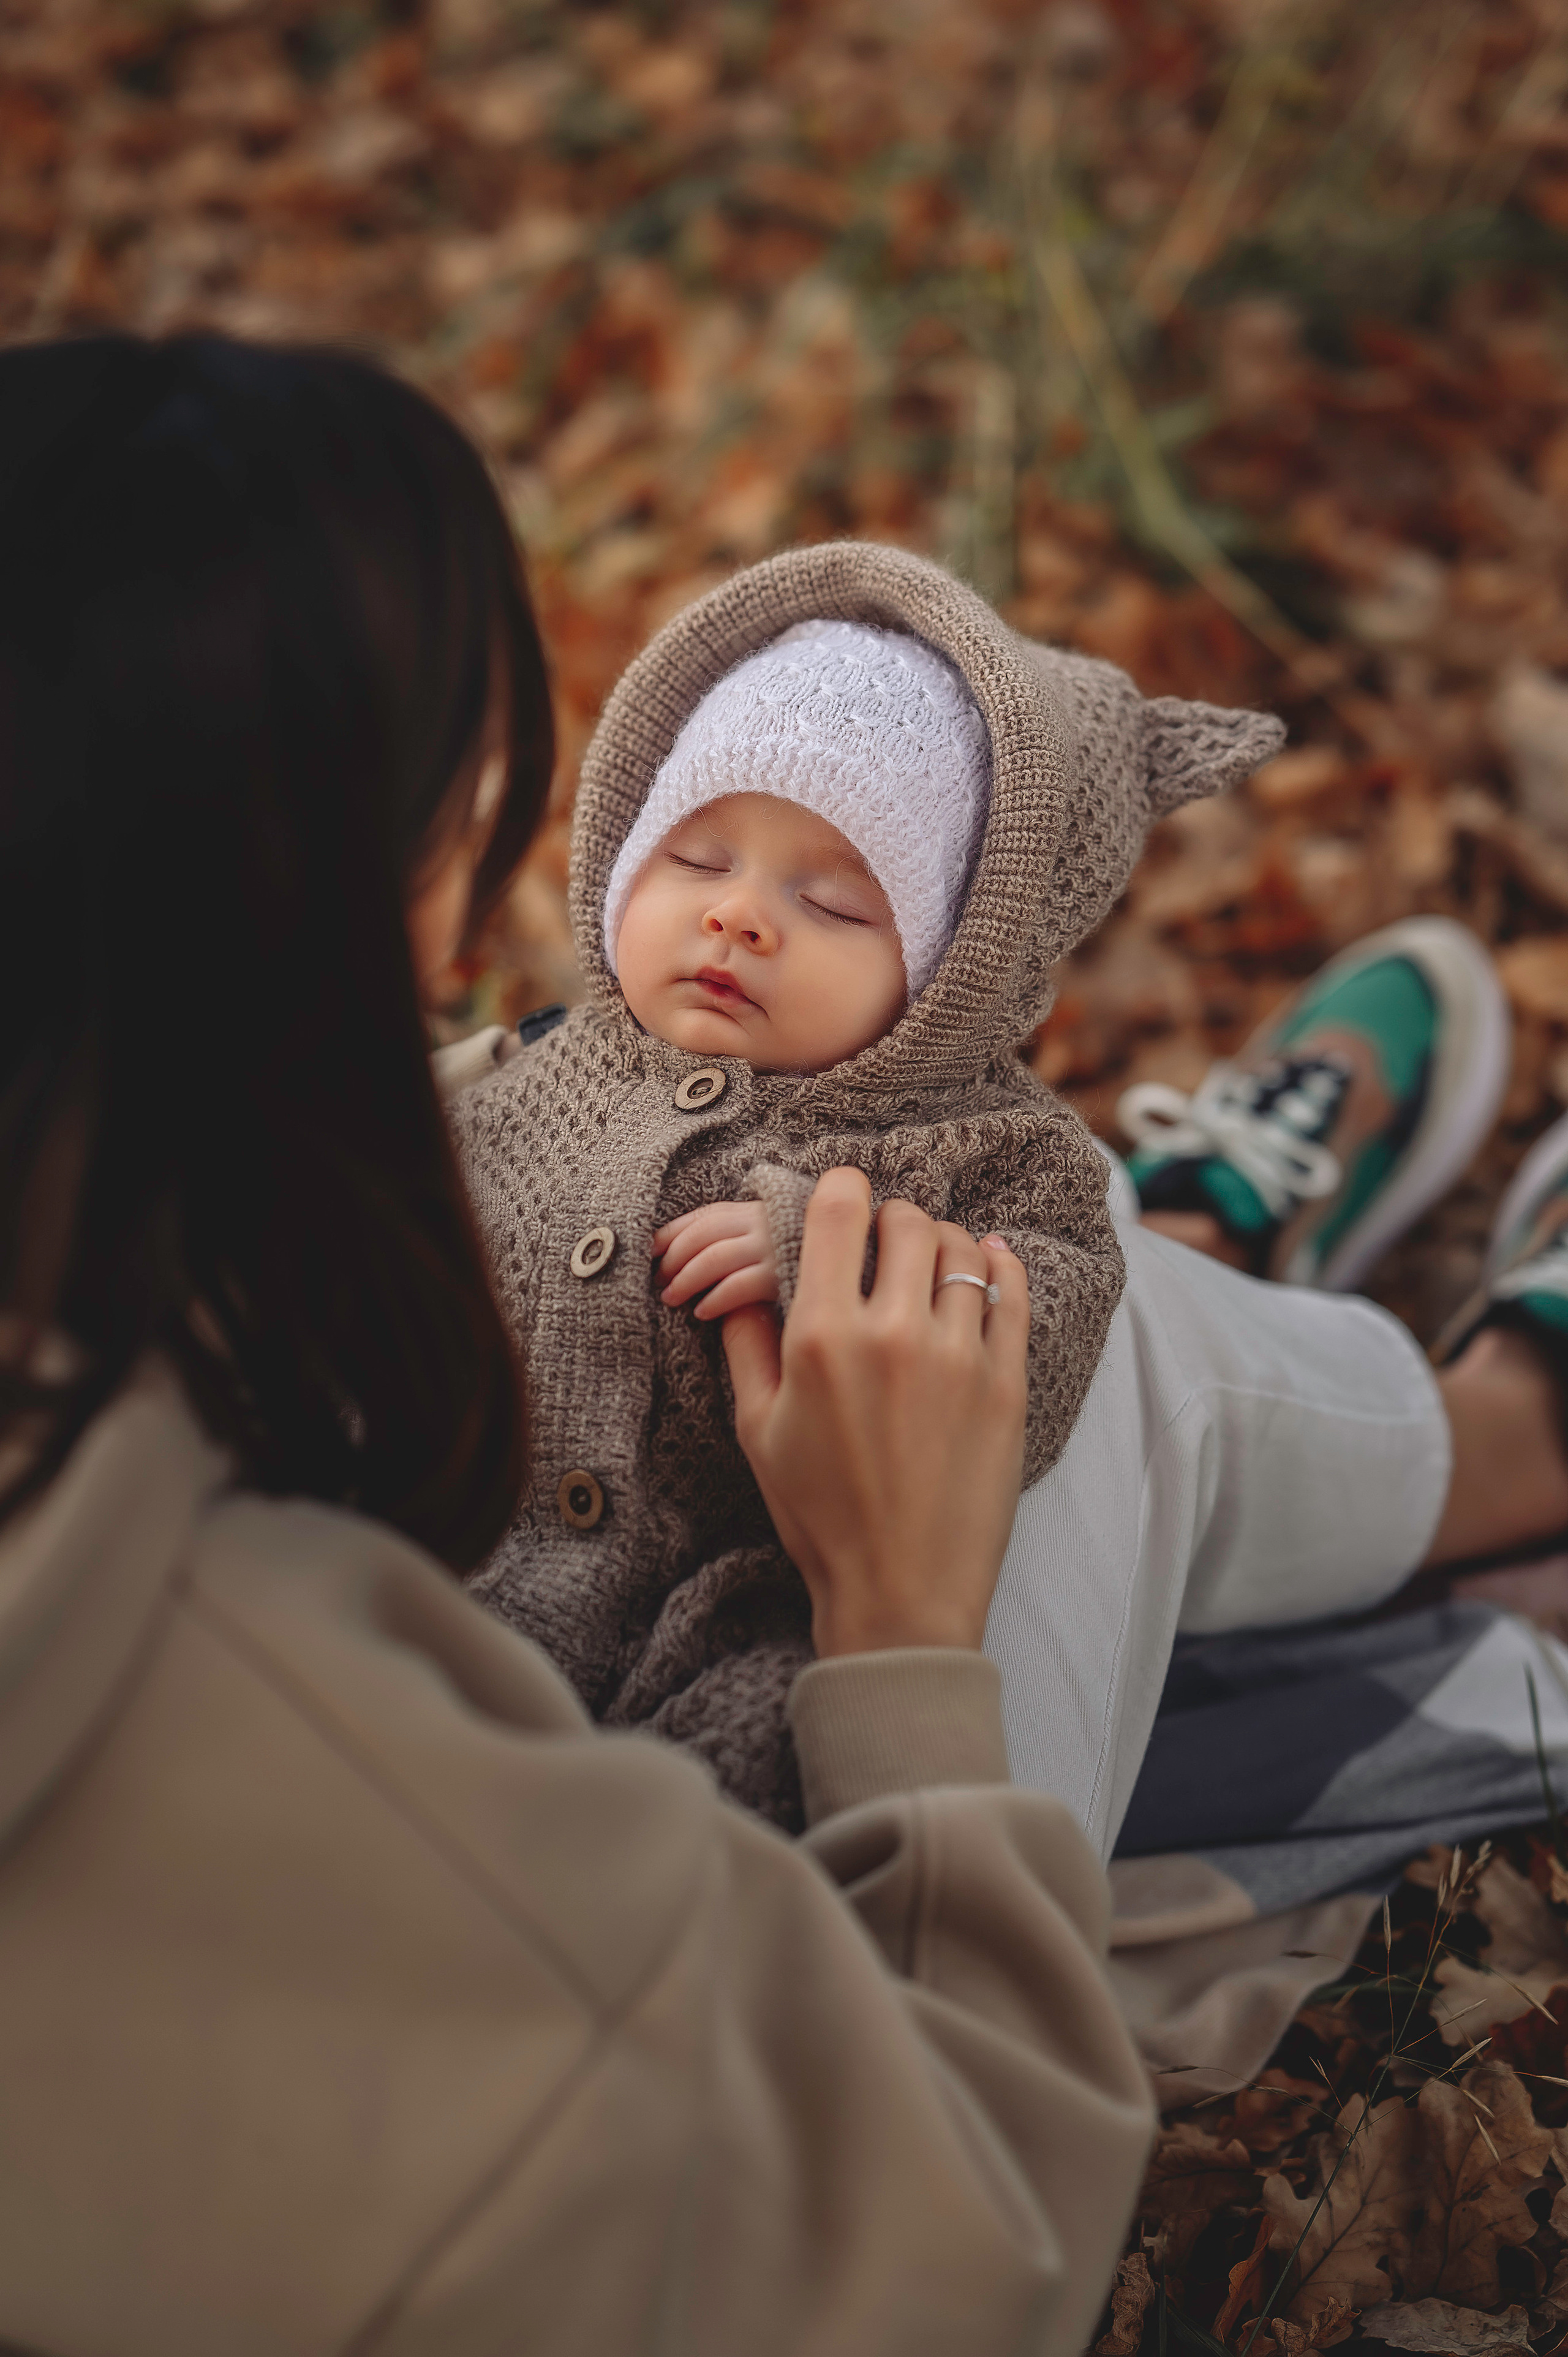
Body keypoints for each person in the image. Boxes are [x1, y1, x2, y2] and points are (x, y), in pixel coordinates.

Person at [0, 332, 1156, 2354]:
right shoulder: (339, 1799)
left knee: (1099, 1273)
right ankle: (1481, 1413)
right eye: (461, 828)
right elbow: (976, 2246)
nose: (459, 948)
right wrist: (897, 1621)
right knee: (1138, 1356)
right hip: (725, 1752)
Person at [450, 568, 1283, 1825]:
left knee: (762, 1767)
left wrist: (827, 1258)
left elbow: (1044, 1313)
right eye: (695, 855)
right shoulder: (531, 1081)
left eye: (832, 901)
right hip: (445, 1595)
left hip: (714, 1626)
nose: (737, 916)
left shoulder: (975, 1144)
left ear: (955, 966)